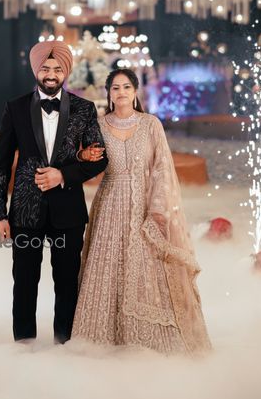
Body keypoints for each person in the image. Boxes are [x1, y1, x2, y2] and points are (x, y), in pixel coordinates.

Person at [72, 68, 211, 355]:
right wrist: (81, 155)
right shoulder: (98, 125)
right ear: (109, 94)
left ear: (135, 92)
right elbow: (84, 161)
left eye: (126, 87)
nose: (121, 92)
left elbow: (162, 168)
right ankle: (101, 337)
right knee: (106, 266)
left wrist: (158, 208)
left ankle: (148, 340)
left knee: (146, 265)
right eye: (115, 88)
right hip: (109, 203)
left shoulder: (151, 124)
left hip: (144, 204)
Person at [0, 40, 108, 344]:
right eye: (45, 68)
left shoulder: (84, 109)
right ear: (36, 70)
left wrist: (63, 175)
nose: (51, 74)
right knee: (24, 283)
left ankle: (64, 346)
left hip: (68, 211)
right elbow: (0, 166)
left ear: (65, 71)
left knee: (67, 284)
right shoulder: (15, 107)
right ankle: (24, 346)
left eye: (57, 69)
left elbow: (99, 158)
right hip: (25, 211)